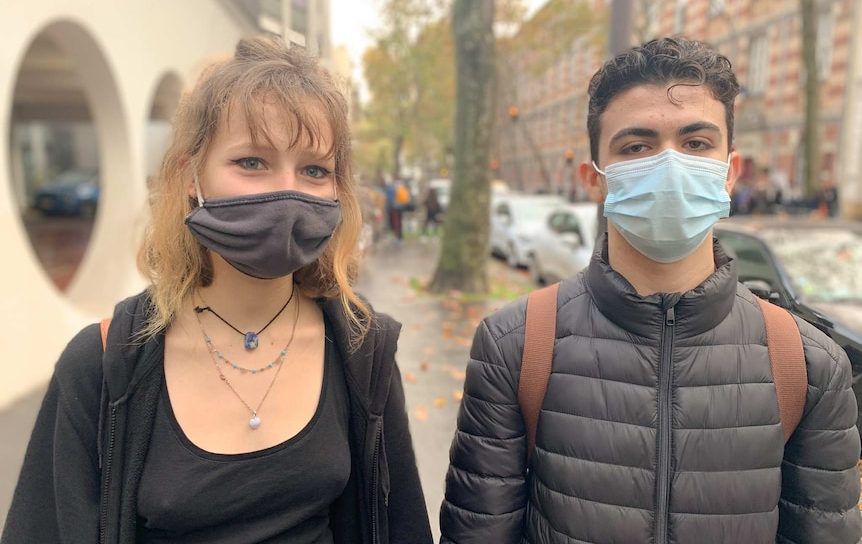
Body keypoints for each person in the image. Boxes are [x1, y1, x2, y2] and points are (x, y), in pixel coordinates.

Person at [2, 36, 432, 544]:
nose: (287, 192)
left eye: (315, 170)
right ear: (190, 175)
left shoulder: (365, 354)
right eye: (252, 162)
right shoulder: (100, 367)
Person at [440, 38, 861, 543]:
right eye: (636, 147)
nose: (670, 165)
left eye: (696, 143)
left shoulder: (809, 365)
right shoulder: (515, 345)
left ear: (730, 171)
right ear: (593, 179)